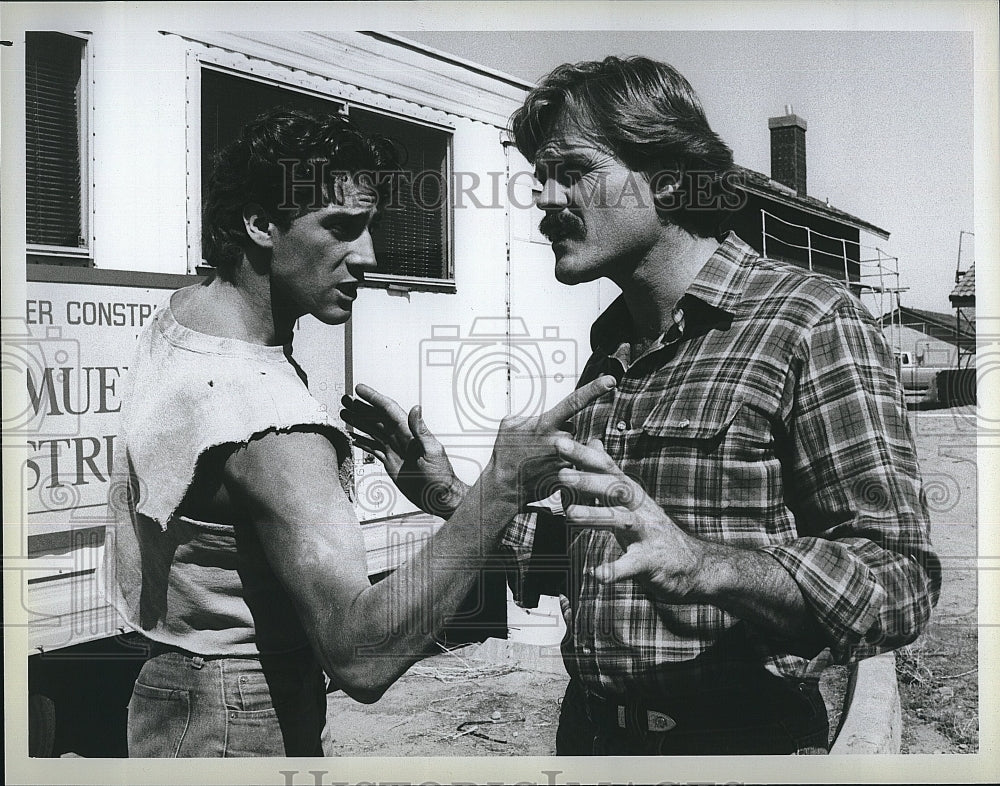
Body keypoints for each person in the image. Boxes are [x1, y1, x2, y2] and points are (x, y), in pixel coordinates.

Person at [343, 57, 941, 755]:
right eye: (539, 174)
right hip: (593, 739)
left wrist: (706, 564)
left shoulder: (808, 324)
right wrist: (445, 492)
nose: (543, 196)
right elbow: (597, 559)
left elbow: (899, 581)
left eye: (572, 169)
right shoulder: (614, 350)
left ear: (667, 176)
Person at [102, 107, 615, 758]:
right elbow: (360, 656)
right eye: (341, 228)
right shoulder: (276, 429)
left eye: (370, 227)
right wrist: (500, 488)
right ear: (261, 223)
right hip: (242, 715)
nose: (368, 256)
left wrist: (440, 494)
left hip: (169, 691)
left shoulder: (183, 322)